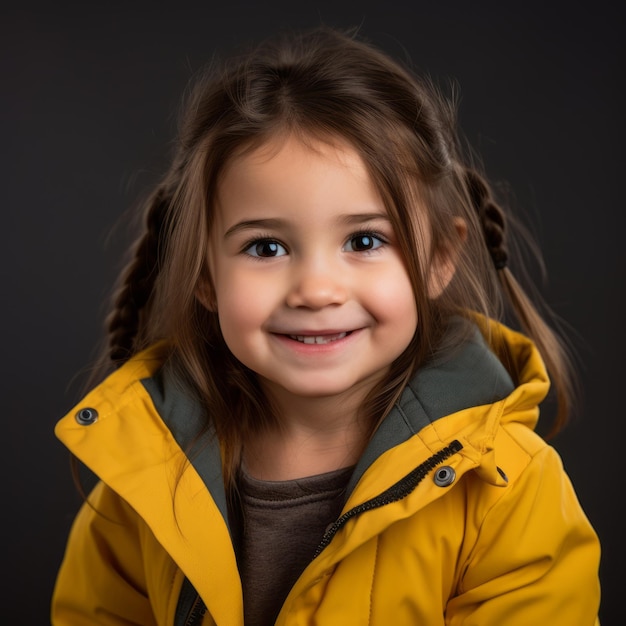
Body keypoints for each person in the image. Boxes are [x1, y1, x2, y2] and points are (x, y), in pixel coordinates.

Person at [51, 25, 601, 625]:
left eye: (364, 240)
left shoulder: (504, 488)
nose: (316, 290)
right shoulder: (145, 476)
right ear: (204, 275)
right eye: (266, 248)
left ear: (441, 256)